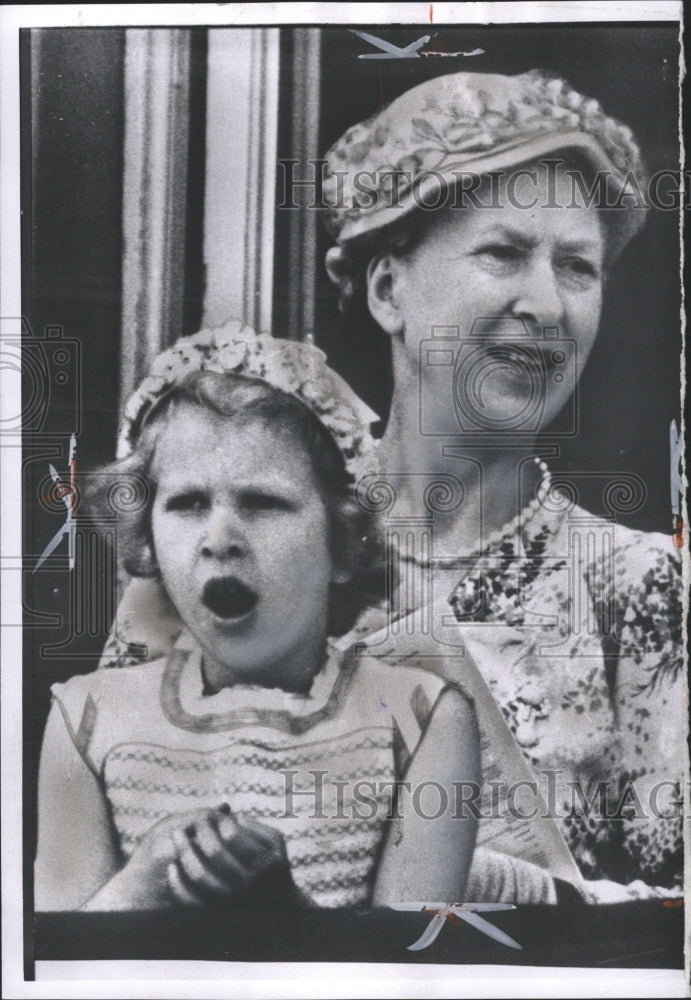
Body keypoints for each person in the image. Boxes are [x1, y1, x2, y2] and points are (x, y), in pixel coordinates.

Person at [319, 70, 684, 903]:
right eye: (503, 253)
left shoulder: (640, 586)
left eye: (577, 268)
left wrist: (492, 881)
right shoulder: (254, 538)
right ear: (387, 290)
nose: (547, 305)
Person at [34, 321, 479, 912]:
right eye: (188, 503)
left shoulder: (422, 719)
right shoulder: (87, 719)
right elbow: (61, 970)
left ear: (343, 540)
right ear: (145, 534)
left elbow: (411, 974)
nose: (220, 539)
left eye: (264, 502)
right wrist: (143, 886)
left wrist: (283, 912)